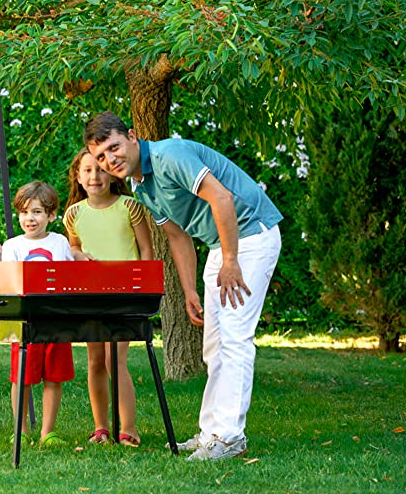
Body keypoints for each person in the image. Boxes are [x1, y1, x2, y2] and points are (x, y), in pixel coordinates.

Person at [84, 111, 283, 461]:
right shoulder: (139, 184)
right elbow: (176, 235)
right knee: (214, 345)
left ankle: (231, 438)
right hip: (220, 245)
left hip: (251, 235)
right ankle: (211, 433)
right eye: (100, 156)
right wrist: (189, 290)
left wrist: (232, 261)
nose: (109, 159)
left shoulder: (168, 156)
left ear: (131, 136)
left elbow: (220, 198)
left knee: (235, 338)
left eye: (113, 147)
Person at [63, 149, 154, 448]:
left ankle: (127, 427)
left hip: (125, 295)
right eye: (87, 171)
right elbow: (74, 249)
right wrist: (76, 253)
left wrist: (146, 291)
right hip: (90, 295)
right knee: (95, 360)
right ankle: (101, 427)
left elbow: (146, 251)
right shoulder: (73, 214)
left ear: (112, 173)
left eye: (100, 169)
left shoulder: (130, 207)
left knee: (116, 358)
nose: (95, 176)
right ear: (78, 176)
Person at [0, 181, 76, 447]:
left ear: (51, 215)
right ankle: (21, 430)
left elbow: (67, 278)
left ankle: (48, 431)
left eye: (37, 212)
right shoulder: (13, 245)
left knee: (54, 378)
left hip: (55, 319)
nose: (30, 218)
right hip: (23, 322)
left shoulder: (59, 242)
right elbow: (3, 282)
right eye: (24, 212)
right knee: (21, 377)